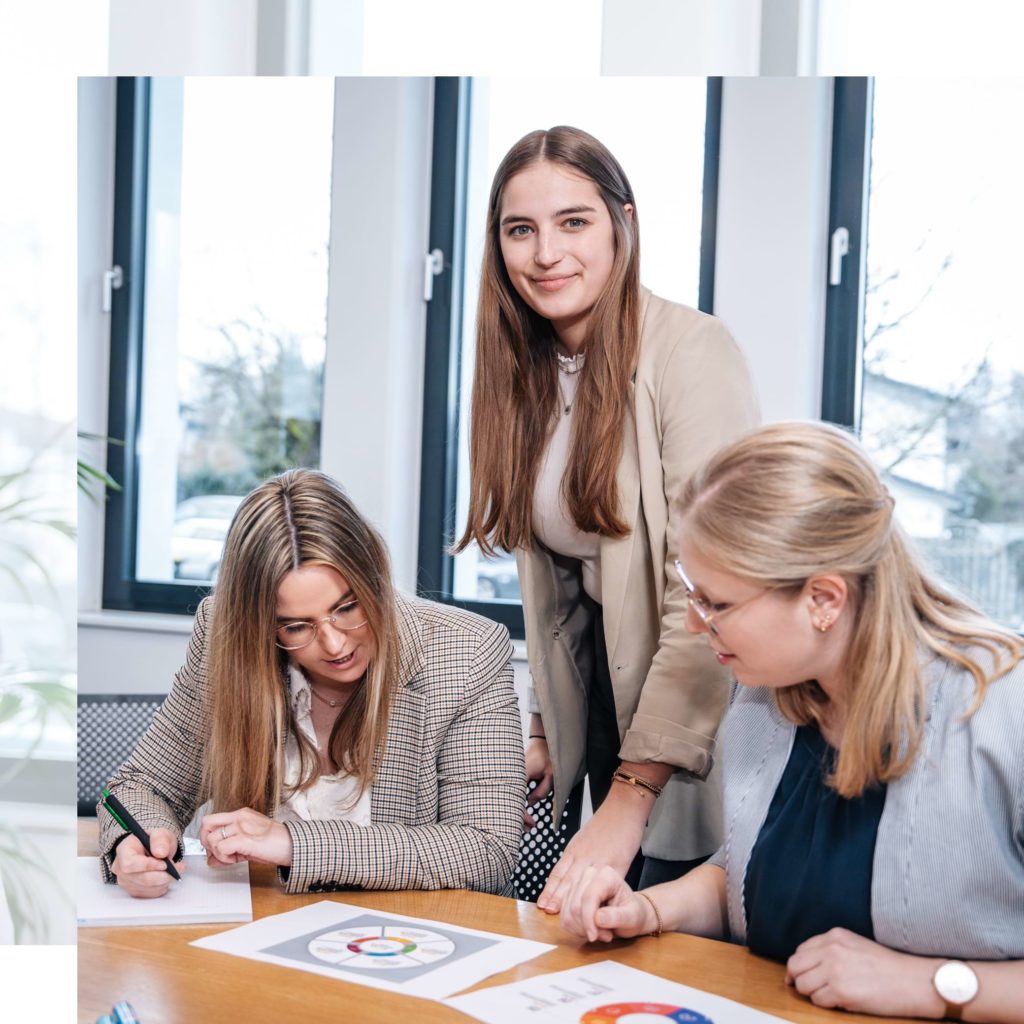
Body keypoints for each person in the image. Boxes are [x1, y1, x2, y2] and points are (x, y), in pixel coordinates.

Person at [559, 421, 1024, 1022]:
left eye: (717, 604)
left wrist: (929, 985)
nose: (696, 626)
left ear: (824, 600)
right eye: (693, 595)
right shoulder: (765, 697)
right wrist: (649, 911)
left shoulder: (1000, 707)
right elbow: (747, 871)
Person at [455, 125, 759, 904]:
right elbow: (563, 598)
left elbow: (704, 595)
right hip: (605, 717)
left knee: (679, 951)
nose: (546, 253)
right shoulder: (523, 372)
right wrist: (541, 730)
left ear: (623, 222)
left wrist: (629, 797)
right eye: (520, 229)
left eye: (574, 221)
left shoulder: (691, 350)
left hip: (701, 709)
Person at [99, 469, 525, 898]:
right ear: (260, 626)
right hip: (260, 934)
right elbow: (143, 786)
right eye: (297, 627)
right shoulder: (223, 638)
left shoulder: (466, 652)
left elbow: (487, 849)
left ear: (373, 576)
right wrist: (134, 843)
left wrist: (290, 842)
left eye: (347, 607)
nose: (336, 644)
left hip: (406, 941)